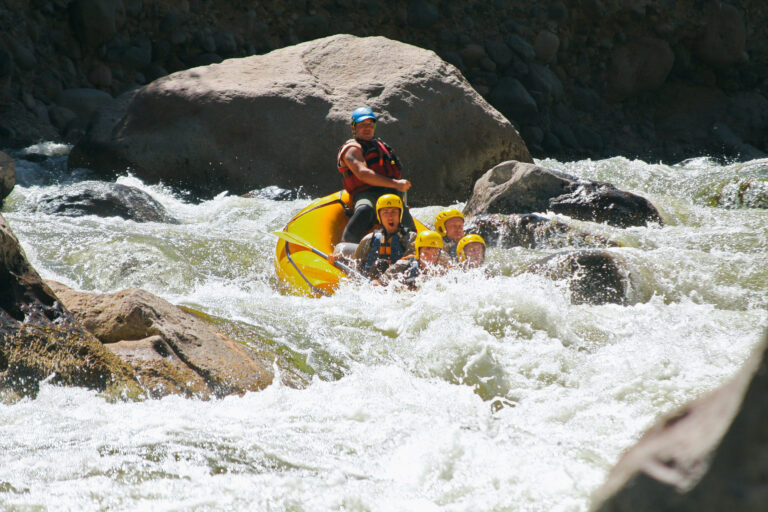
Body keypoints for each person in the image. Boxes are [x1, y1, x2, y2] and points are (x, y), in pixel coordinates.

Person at [337, 107, 415, 243]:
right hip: (366, 194)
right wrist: (396, 184)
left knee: (402, 216)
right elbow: (363, 174)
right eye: (362, 125)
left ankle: (412, 248)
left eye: (370, 124)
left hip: (390, 194)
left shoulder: (379, 145)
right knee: (365, 209)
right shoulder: (351, 149)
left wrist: (398, 189)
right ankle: (346, 247)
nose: (367, 128)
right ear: (353, 128)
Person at [351, 193, 417, 279]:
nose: (390, 217)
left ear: (400, 215)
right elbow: (356, 264)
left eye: (394, 212)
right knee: (380, 264)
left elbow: (410, 261)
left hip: (397, 282)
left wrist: (383, 279)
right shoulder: (369, 239)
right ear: (379, 216)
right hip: (370, 281)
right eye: (385, 212)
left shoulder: (411, 237)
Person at [378, 230, 444, 289]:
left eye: (434, 255)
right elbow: (379, 283)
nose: (429, 259)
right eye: (426, 253)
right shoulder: (403, 265)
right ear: (418, 252)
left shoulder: (442, 272)